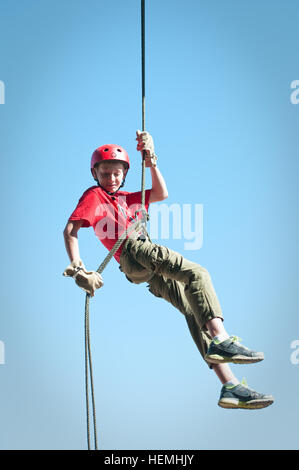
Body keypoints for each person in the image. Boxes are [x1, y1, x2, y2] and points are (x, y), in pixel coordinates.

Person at [63, 131, 274, 410]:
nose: (111, 179)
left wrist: (150, 160)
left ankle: (230, 386)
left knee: (193, 310)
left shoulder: (127, 198)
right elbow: (70, 230)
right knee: (197, 274)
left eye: (116, 174)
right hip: (132, 251)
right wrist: (79, 268)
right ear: (96, 175)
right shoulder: (95, 195)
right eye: (105, 174)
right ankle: (222, 339)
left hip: (144, 272)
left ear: (124, 174)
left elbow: (161, 193)